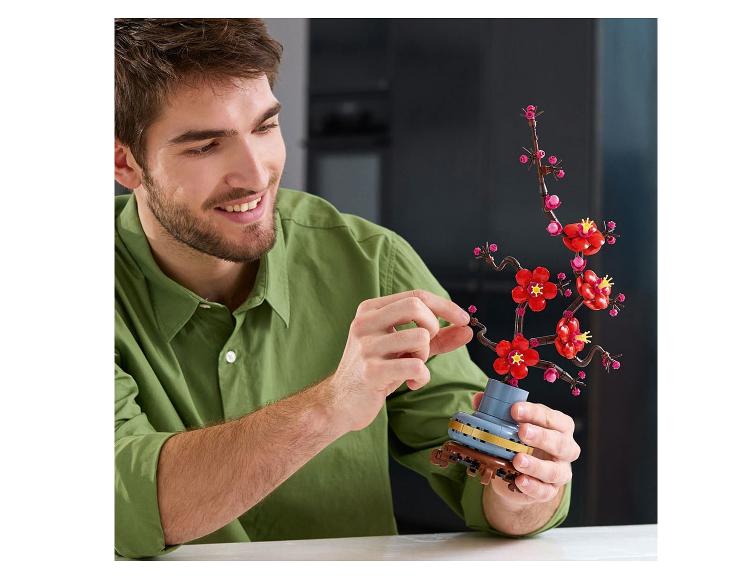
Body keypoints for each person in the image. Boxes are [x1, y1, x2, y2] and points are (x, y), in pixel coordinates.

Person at [114, 18, 579, 559]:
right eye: (205, 146)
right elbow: (120, 505)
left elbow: (481, 483)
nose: (255, 174)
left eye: (264, 127)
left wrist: (526, 486)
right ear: (124, 161)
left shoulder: (372, 262)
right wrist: (332, 404)